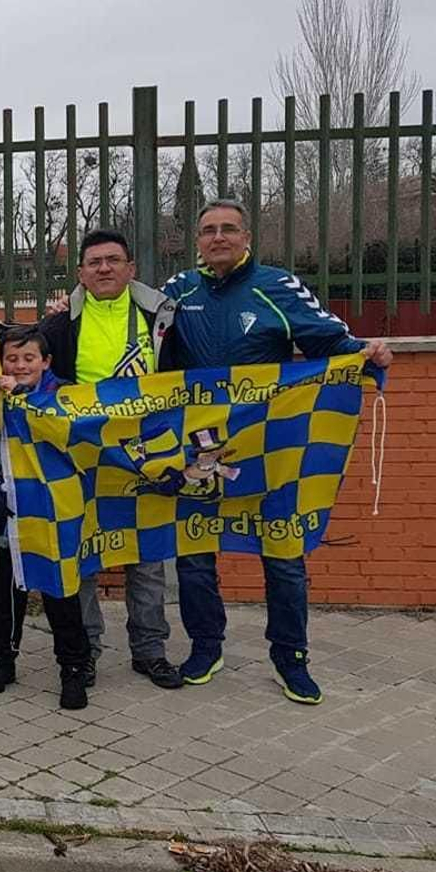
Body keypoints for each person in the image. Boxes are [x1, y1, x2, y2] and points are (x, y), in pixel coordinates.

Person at [160, 199, 392, 704]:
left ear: (247, 237)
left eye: (228, 229)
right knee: (194, 554)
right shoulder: (178, 292)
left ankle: (291, 658)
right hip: (200, 449)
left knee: (283, 555)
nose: (217, 238)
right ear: (197, 240)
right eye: (207, 231)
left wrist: (367, 353)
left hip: (272, 450)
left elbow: (332, 341)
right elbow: (122, 330)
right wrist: (65, 310)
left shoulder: (276, 286)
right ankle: (206, 647)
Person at [37, 229, 181, 691]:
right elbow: (35, 376)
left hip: (149, 453)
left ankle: (151, 651)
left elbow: (187, 380)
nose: (104, 268)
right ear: (80, 272)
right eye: (94, 262)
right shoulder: (59, 326)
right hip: (85, 458)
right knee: (85, 558)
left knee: (148, 557)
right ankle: (87, 651)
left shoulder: (162, 317)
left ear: (130, 268)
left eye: (113, 260)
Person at [0, 326, 91, 710]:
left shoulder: (64, 394)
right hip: (10, 507)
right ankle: (3, 660)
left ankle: (74, 668)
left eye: (29, 358)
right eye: (12, 358)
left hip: (55, 509)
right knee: (6, 589)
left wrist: (21, 396)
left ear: (46, 362)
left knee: (60, 590)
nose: (20, 365)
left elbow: (61, 427)